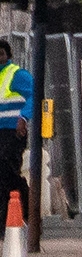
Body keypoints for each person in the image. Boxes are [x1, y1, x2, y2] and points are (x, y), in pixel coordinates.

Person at [0, 39, 31, 239]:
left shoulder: (16, 74)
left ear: (7, 55)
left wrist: (23, 117)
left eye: (1, 54)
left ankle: (24, 209)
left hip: (13, 131)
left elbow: (34, 95)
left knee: (5, 168)